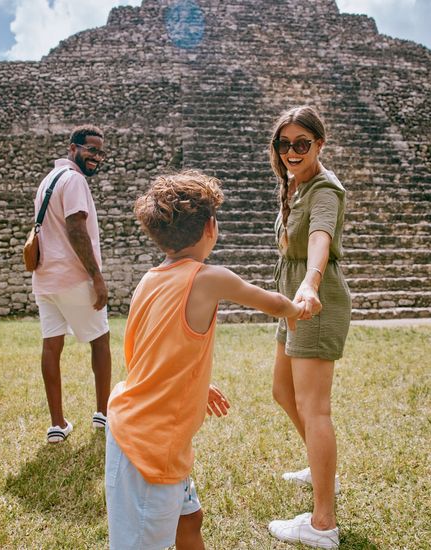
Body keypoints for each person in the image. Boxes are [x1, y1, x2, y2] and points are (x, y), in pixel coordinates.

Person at [105, 170, 303, 550]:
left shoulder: (149, 279)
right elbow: (273, 303)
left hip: (147, 428)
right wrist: (299, 308)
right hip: (147, 447)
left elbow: (146, 352)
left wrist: (195, 381)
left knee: (189, 520)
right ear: (211, 226)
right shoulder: (208, 278)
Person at [267, 106, 351, 549]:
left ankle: (322, 524)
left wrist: (311, 282)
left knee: (315, 408)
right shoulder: (294, 185)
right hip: (292, 303)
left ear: (320, 144)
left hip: (313, 302)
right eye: (285, 144)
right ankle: (323, 472)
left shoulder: (323, 189)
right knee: (283, 391)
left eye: (302, 144)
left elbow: (321, 237)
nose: (293, 152)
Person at [31, 124, 112, 443]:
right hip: (73, 276)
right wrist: (96, 276)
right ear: (72, 147)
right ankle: (104, 414)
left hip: (45, 277)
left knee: (52, 346)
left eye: (101, 152)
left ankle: (57, 424)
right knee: (101, 340)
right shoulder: (75, 180)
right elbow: (76, 227)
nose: (97, 156)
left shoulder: (48, 180)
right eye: (91, 149)